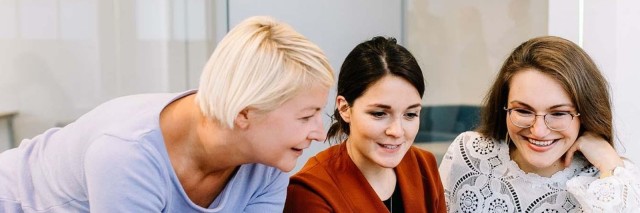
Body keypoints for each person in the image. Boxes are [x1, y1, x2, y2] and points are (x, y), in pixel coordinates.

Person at [0, 16, 334, 212]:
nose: (319, 132)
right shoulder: (126, 154)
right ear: (245, 113)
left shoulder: (268, 163)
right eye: (306, 117)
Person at [439, 36, 640, 212]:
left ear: (585, 114)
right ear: (504, 107)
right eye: (523, 111)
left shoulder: (612, 182)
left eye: (559, 113)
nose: (539, 131)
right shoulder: (467, 154)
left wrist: (611, 167)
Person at [284, 36, 446, 213]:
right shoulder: (311, 191)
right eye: (379, 114)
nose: (397, 131)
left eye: (410, 114)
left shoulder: (424, 165)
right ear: (345, 108)